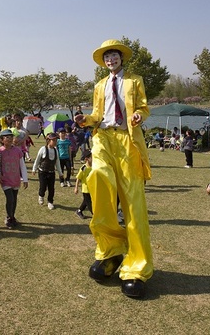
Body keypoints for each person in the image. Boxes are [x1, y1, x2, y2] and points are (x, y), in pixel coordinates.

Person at [74, 39, 153, 298]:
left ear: (121, 58)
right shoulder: (99, 85)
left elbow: (142, 105)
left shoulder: (135, 80)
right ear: (103, 61)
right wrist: (85, 119)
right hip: (103, 137)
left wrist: (140, 115)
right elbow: (97, 115)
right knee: (98, 180)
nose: (111, 60)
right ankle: (110, 251)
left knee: (133, 201)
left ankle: (136, 267)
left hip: (127, 140)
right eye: (107, 57)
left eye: (114, 55)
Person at [0, 129, 28, 229]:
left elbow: (22, 165)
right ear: (2, 139)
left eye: (11, 137)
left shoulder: (17, 151)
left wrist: (25, 179)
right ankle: (8, 217)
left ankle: (12, 217)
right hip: (5, 180)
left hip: (16, 179)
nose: (9, 139)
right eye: (7, 137)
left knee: (14, 200)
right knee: (10, 199)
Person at [32, 132, 64, 210]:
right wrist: (34, 169)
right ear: (49, 140)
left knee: (51, 188)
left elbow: (57, 163)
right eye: (54, 140)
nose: (55, 142)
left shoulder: (56, 151)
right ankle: (41, 195)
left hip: (51, 172)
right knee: (43, 187)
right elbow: (37, 160)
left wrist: (60, 173)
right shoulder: (43, 149)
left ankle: (50, 202)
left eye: (56, 140)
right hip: (42, 172)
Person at [74, 149, 93, 219]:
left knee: (85, 201)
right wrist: (76, 187)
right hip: (86, 190)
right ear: (86, 159)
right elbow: (78, 178)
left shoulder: (94, 167)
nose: (93, 158)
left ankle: (79, 211)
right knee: (89, 204)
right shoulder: (83, 168)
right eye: (91, 157)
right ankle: (94, 215)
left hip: (92, 189)